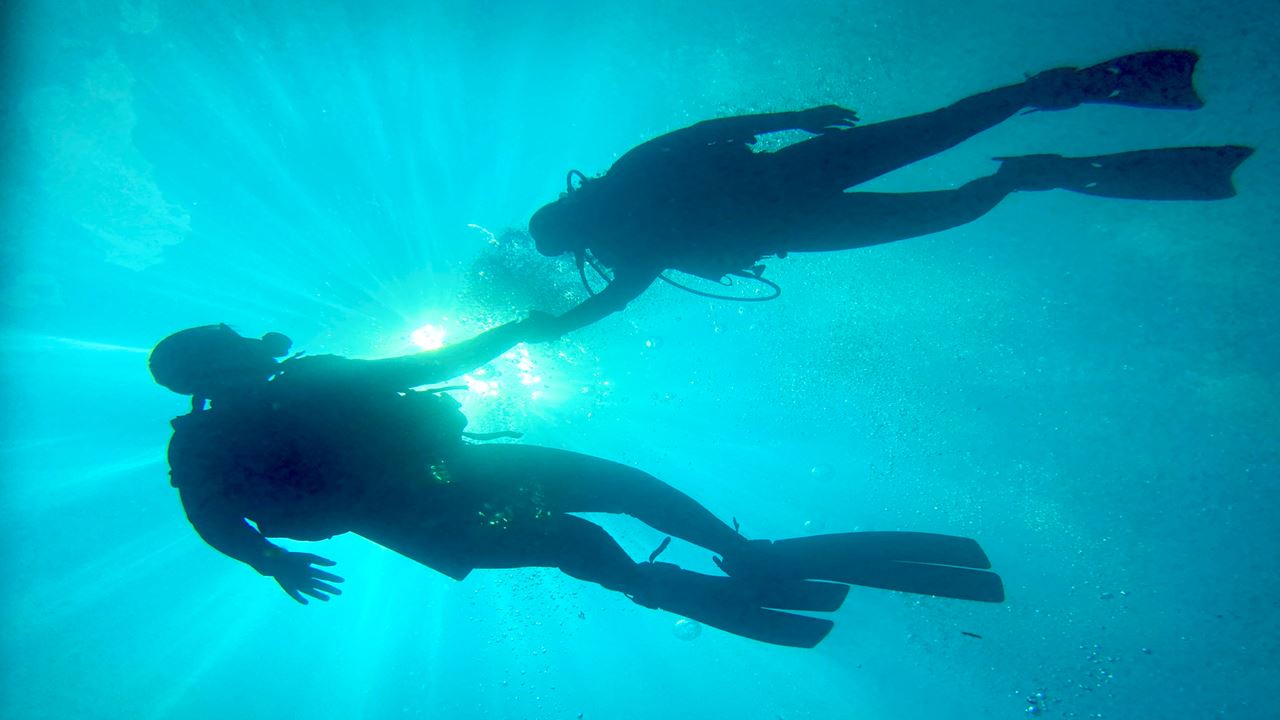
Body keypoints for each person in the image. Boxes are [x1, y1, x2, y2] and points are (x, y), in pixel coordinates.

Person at [152, 322, 1004, 647]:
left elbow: (213, 522)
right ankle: (715, 565)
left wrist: (271, 560)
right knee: (597, 518)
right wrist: (272, 562)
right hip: (432, 498)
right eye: (232, 338)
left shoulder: (249, 414)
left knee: (603, 508)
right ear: (215, 361)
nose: (254, 341)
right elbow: (433, 363)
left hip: (442, 499)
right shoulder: (248, 417)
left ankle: (724, 564)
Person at [526, 50, 1254, 338]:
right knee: (945, 178)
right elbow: (710, 131)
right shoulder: (630, 220)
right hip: (803, 205)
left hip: (799, 197)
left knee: (944, 162)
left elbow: (705, 133)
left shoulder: (629, 216)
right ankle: (1036, 150)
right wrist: (795, 119)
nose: (582, 223)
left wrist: (795, 118)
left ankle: (1039, 135)